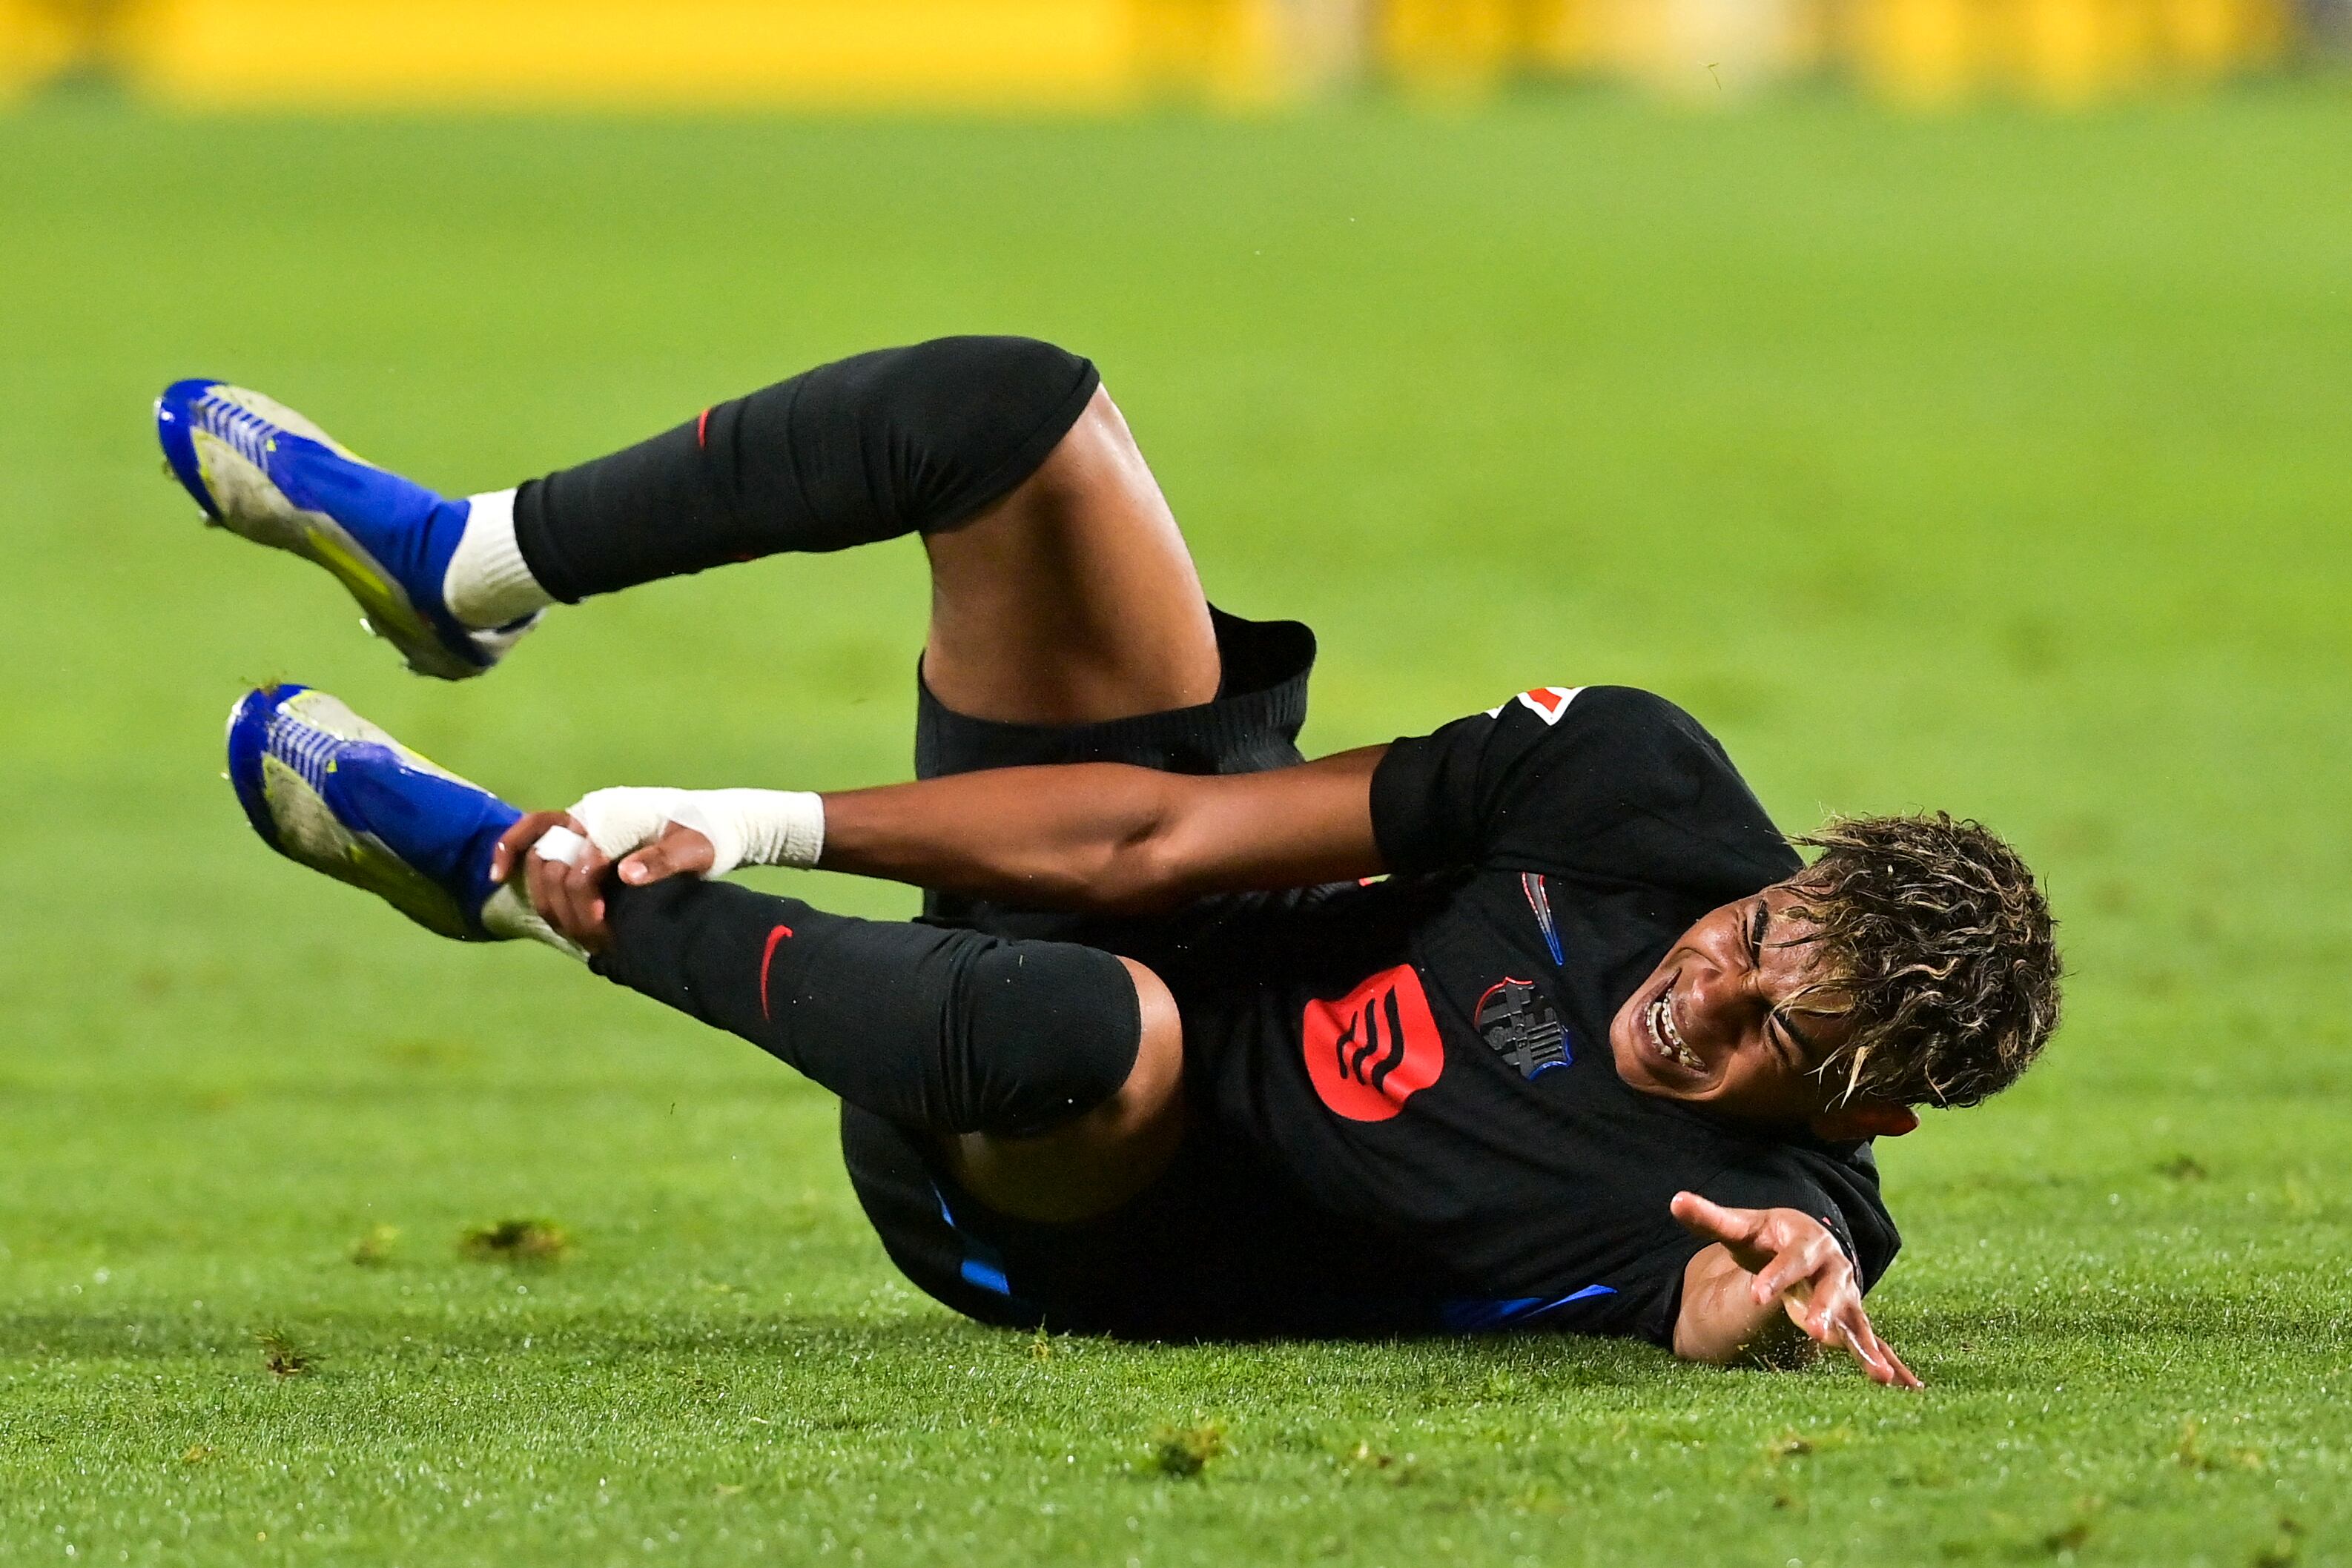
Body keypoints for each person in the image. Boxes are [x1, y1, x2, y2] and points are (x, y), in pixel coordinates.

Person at [156, 337, 2061, 1385]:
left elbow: (1740, 1291)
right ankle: (469, 559)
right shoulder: (1637, 789)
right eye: (1752, 936)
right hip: (1138, 910)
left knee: (1108, 1021)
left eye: (1770, 1039)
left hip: (1056, 1185)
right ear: (1770, 871)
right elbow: (1161, 830)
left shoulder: (1785, 1212)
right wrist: (763, 815)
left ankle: (512, 871)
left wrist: (1741, 1308)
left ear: (1867, 1114)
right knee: (1022, 423)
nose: (1702, 989)